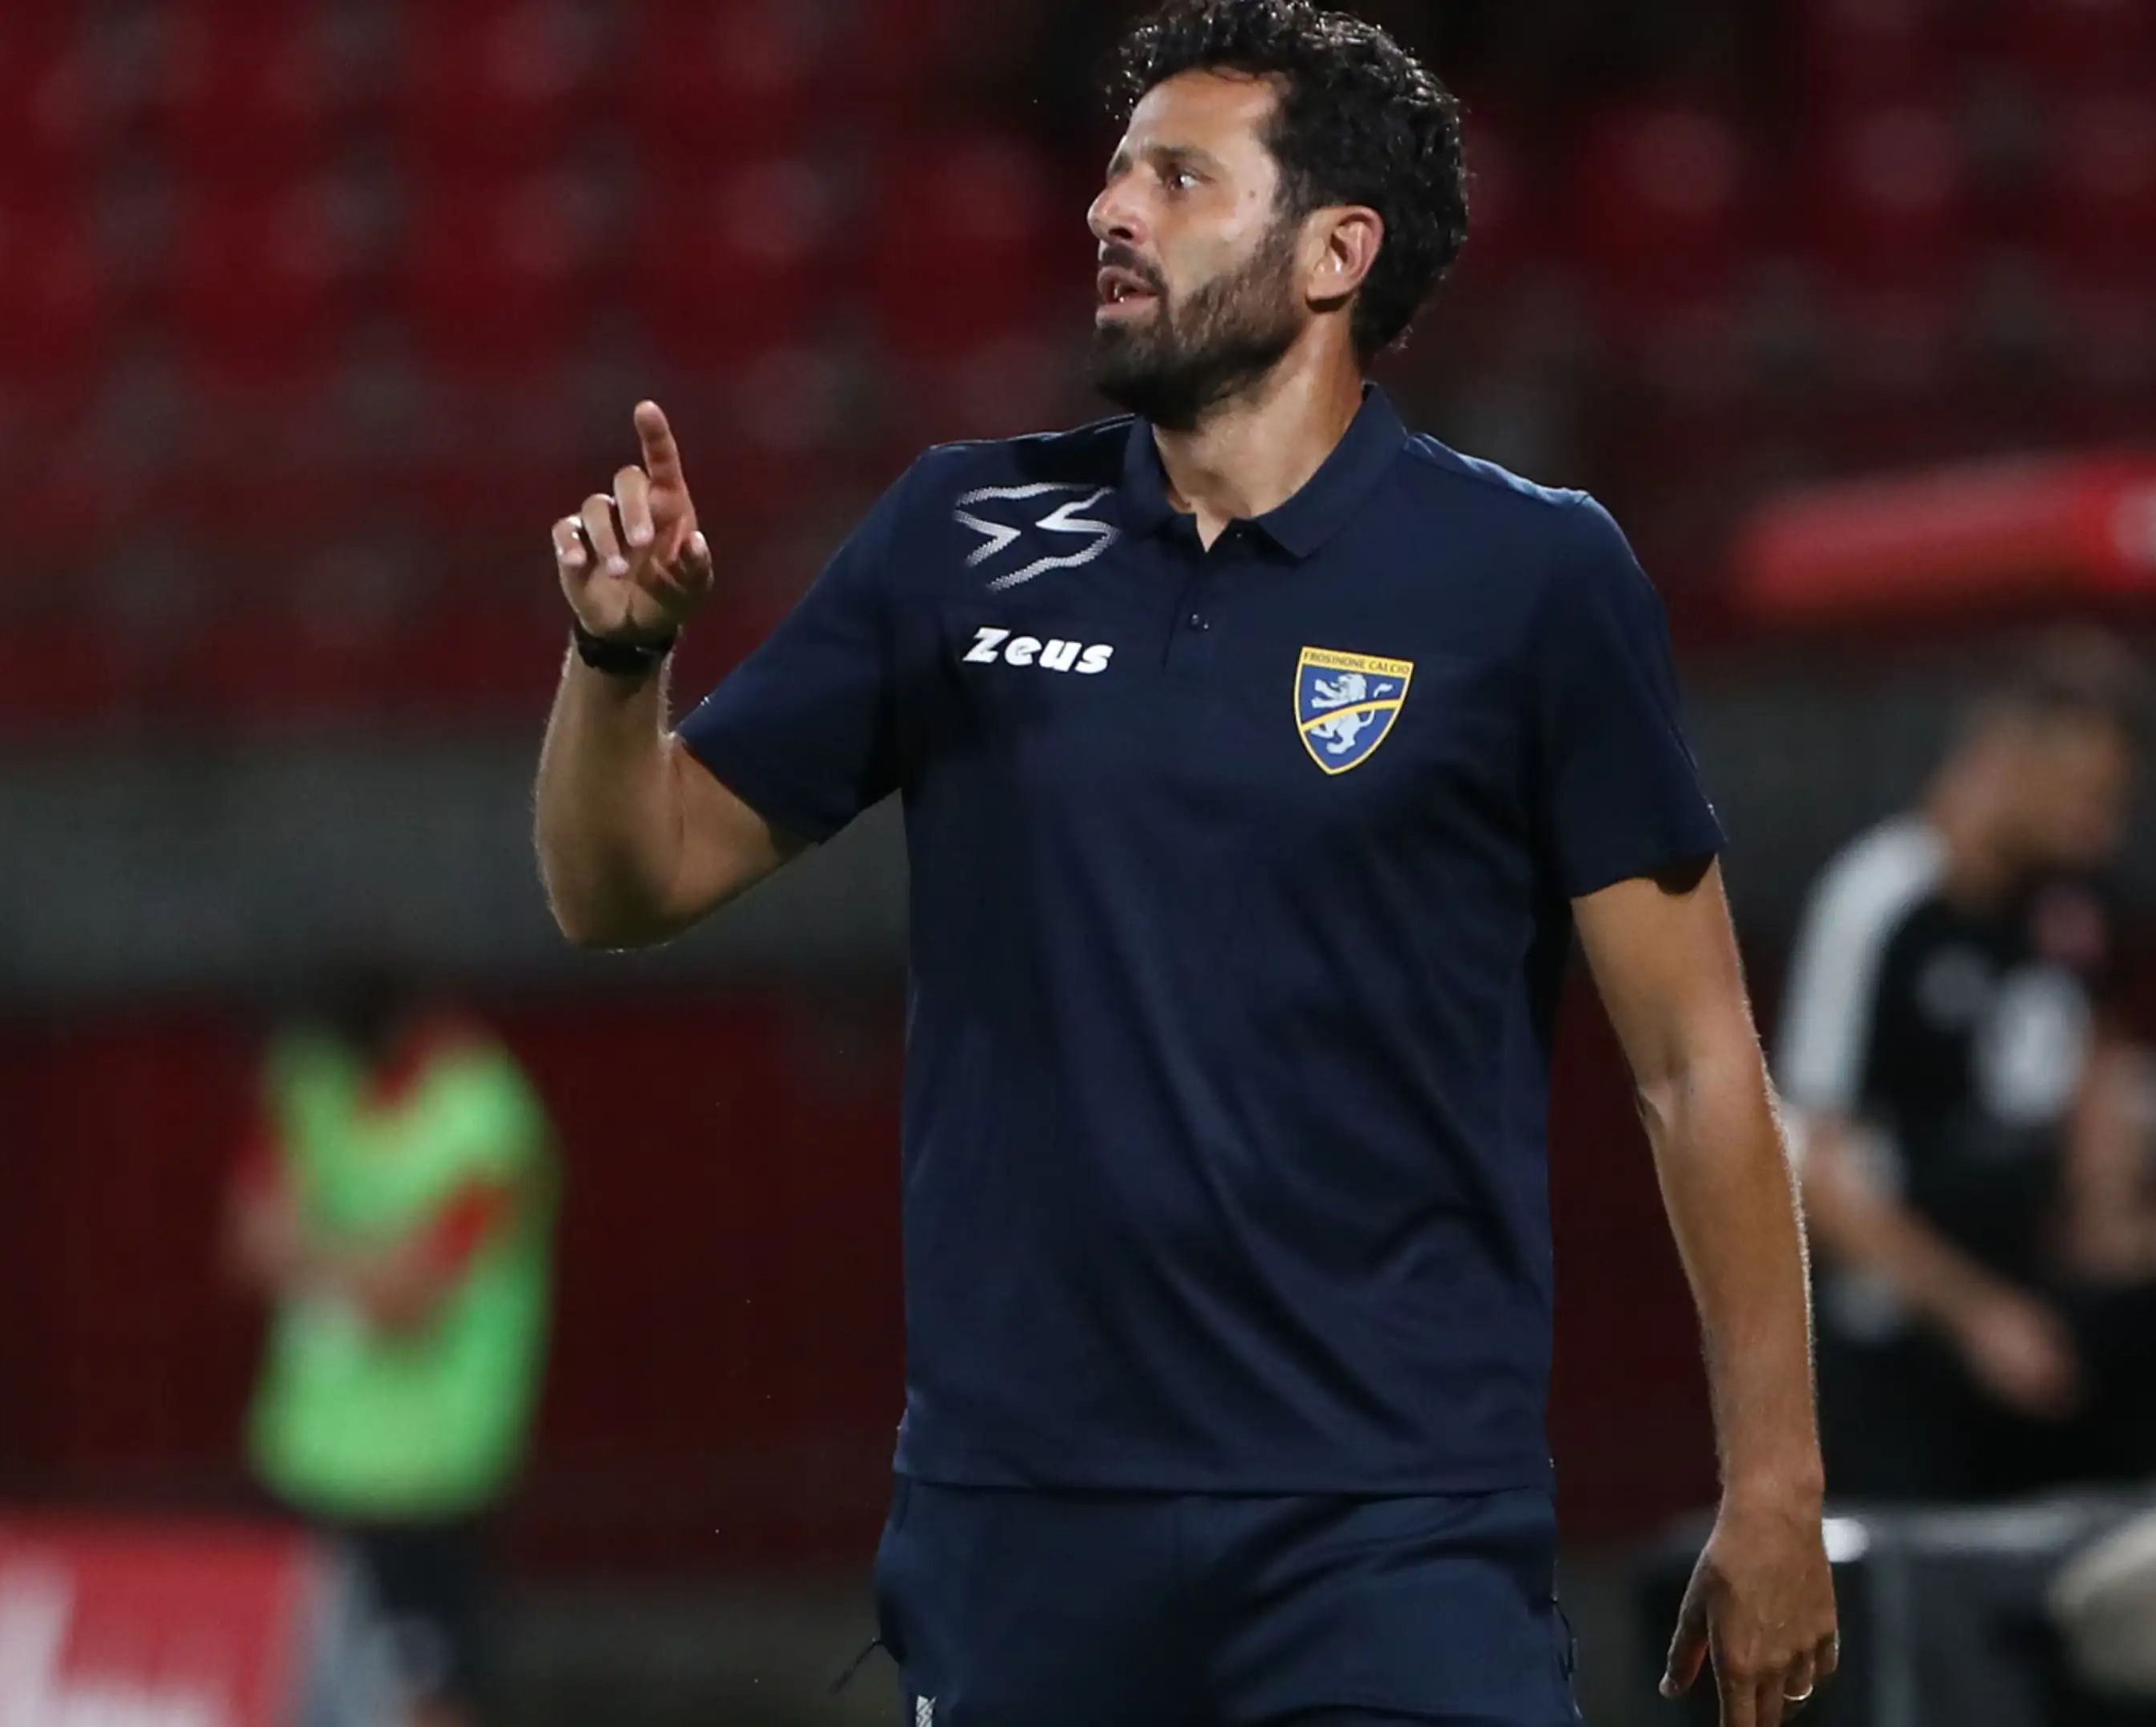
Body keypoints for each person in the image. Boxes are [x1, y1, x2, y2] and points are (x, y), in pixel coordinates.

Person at [533, 4, 1836, 1722]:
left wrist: (1777, 1485)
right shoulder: (957, 537)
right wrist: (618, 660)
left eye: (1178, 177)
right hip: (1022, 1531)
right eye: (1113, 171)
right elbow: (622, 887)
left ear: (1334, 253)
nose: (1108, 209)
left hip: (1391, 1534)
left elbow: (1695, 1064)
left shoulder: (1532, 579)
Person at [1777, 635, 2156, 1502]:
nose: (2104, 830)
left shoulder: (2075, 906)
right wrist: (1975, 1315)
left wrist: (2118, 1220)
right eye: (2089, 798)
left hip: (2042, 1341)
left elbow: (2100, 1068)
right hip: (1908, 1357)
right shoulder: (1881, 905)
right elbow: (1814, 1172)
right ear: (2007, 759)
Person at [227, 967, 558, 1727]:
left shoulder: (483, 1119)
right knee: (301, 1687)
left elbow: (406, 1302)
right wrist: (369, 1263)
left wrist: (310, 1253)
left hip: (431, 1471)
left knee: (426, 1694)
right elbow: (247, 1244)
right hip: (308, 1456)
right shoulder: (306, 1081)